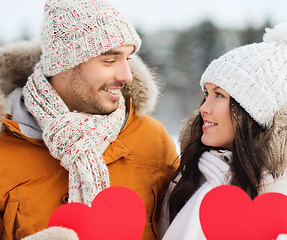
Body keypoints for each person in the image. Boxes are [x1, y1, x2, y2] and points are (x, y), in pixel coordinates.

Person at [0, 0, 178, 239]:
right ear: (62, 65)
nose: (127, 75)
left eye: (128, 58)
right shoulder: (6, 146)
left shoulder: (152, 139)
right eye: (109, 60)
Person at [158, 23, 287, 240]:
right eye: (206, 93)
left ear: (253, 111)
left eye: (220, 95)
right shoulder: (187, 180)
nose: (204, 107)